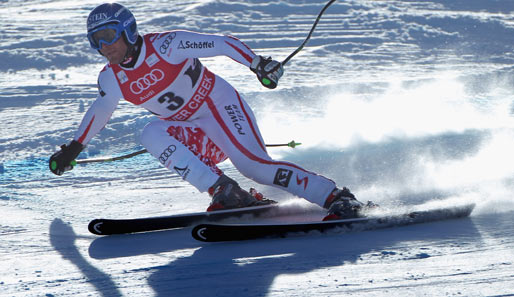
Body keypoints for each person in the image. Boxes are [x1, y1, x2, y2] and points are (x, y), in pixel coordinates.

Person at [49, 3, 374, 220]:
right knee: (150, 131)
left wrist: (258, 64)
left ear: (128, 30)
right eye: (96, 40)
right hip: (194, 133)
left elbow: (220, 43)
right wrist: (74, 148)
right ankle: (226, 192)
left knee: (256, 168)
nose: (105, 46)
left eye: (108, 36)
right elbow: (100, 110)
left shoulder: (166, 45)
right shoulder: (111, 77)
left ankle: (337, 197)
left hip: (219, 107)